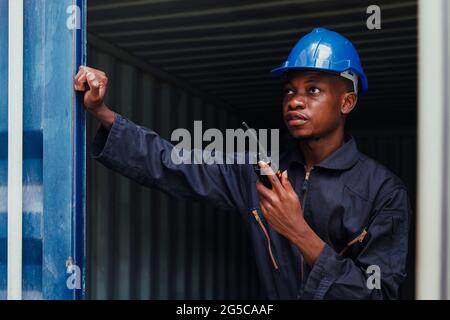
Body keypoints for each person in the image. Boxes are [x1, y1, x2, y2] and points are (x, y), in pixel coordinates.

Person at [74, 28, 411, 299]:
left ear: (347, 102)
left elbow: (377, 293)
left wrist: (298, 231)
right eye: (289, 91)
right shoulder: (258, 169)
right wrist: (101, 112)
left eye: (313, 90)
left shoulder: (384, 192)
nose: (295, 101)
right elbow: (170, 162)